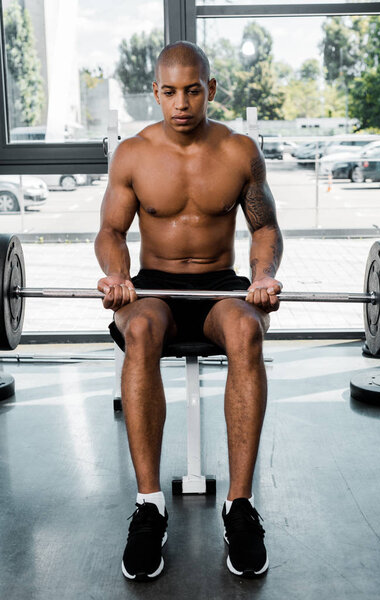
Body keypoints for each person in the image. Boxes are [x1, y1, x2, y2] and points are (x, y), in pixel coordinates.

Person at [95, 40, 283, 581]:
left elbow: (264, 227)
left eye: (193, 91)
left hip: (219, 284)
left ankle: (240, 507)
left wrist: (264, 275)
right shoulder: (132, 154)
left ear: (211, 90)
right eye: (171, 92)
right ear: (155, 92)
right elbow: (110, 231)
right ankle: (150, 505)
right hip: (151, 286)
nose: (181, 103)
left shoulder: (239, 151)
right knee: (143, 332)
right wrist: (117, 275)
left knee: (248, 332)